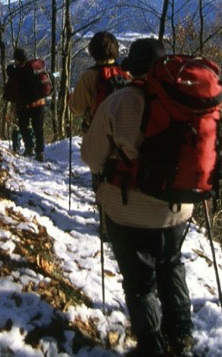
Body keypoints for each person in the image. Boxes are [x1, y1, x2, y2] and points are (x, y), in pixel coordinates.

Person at [81, 38, 194, 357]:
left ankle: (153, 347)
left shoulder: (118, 103)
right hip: (177, 208)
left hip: (128, 211)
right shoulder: (183, 100)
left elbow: (91, 157)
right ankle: (182, 338)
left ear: (134, 68)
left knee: (140, 283)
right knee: (171, 266)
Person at [69, 31, 129, 133]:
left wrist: (70, 99)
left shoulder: (88, 76)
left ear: (92, 51)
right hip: (124, 131)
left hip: (98, 132)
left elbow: (77, 108)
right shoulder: (126, 73)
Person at [11, 47, 47, 162]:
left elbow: (17, 89)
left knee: (23, 127)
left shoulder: (19, 71)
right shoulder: (33, 68)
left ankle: (29, 148)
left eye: (16, 60)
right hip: (39, 103)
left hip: (25, 105)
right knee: (38, 129)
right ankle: (39, 151)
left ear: (19, 60)